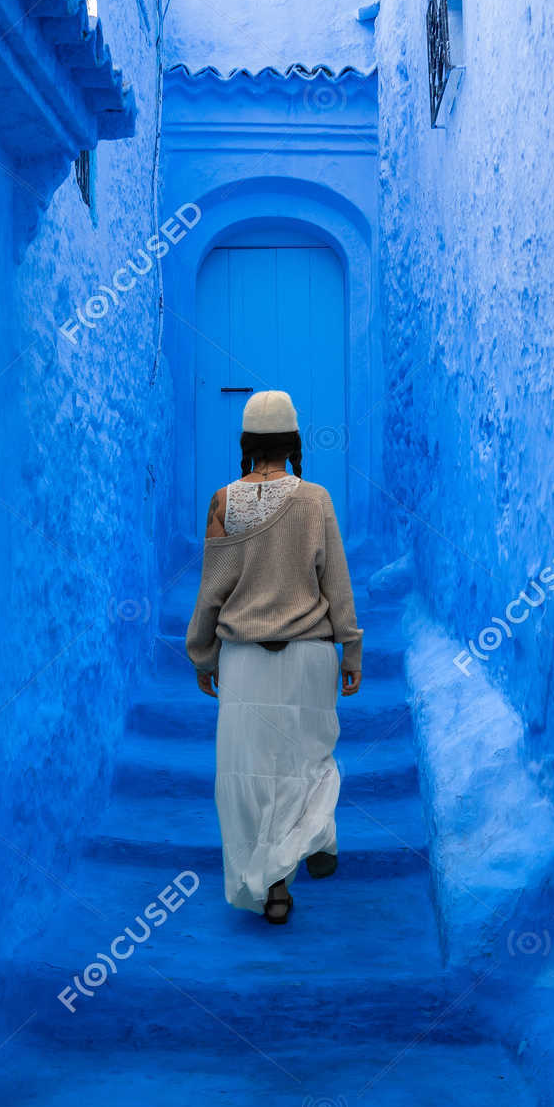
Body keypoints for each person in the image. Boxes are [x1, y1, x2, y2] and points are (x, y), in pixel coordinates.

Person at [185, 390, 363, 924]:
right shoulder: (316, 500)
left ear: (246, 444)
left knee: (248, 777)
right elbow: (336, 582)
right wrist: (350, 647)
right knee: (308, 757)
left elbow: (211, 591)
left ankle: (275, 885)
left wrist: (202, 654)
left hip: (245, 661)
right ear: (292, 442)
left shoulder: (222, 503)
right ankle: (317, 834)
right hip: (310, 656)